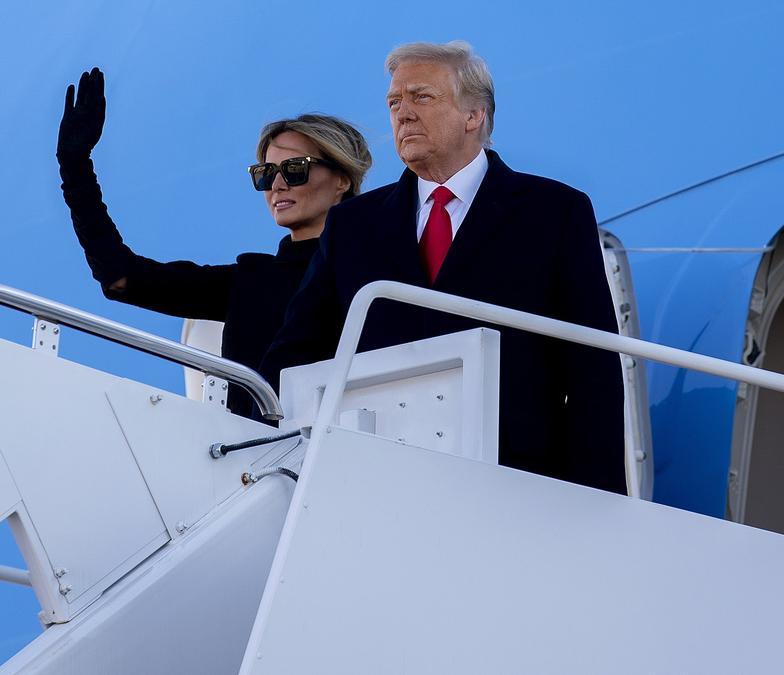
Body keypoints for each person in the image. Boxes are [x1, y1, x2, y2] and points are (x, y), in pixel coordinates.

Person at [261, 41, 625, 493]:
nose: (403, 113)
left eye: (422, 97)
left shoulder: (554, 211)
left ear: (475, 115)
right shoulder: (354, 224)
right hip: (377, 481)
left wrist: (600, 502)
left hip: (520, 485)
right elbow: (296, 354)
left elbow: (593, 366)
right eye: (395, 101)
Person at [57, 67, 372, 416]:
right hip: (253, 460)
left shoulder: (376, 267)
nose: (277, 185)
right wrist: (75, 166)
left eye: (295, 169)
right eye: (265, 174)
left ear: (342, 179)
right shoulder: (249, 279)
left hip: (350, 452)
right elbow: (121, 278)